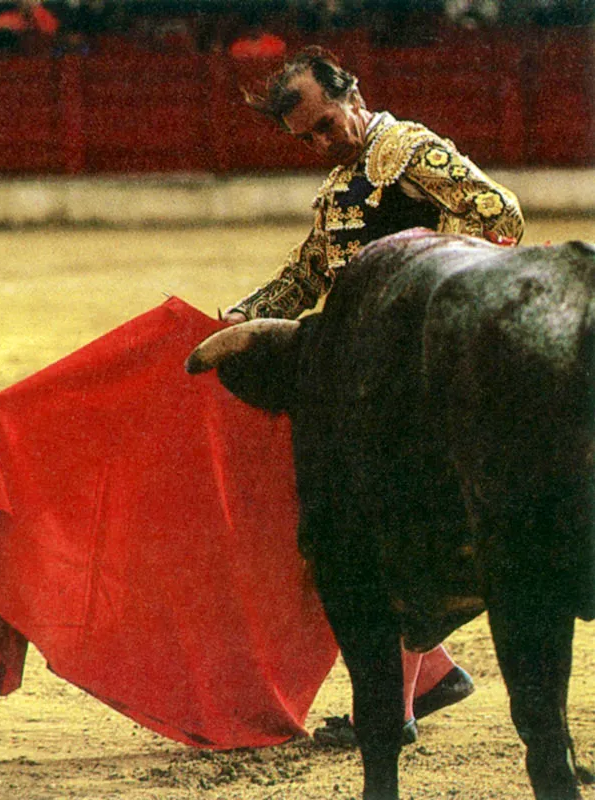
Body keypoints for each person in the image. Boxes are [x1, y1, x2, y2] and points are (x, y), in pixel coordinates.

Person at [221, 46, 525, 743]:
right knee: (367, 524)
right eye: (309, 140)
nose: (324, 143)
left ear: (352, 94)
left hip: (411, 372)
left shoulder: (407, 147)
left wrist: (423, 292)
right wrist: (242, 314)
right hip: (364, 373)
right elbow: (308, 268)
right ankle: (431, 672)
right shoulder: (343, 179)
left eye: (328, 124)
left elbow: (497, 213)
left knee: (392, 526)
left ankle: (388, 710)